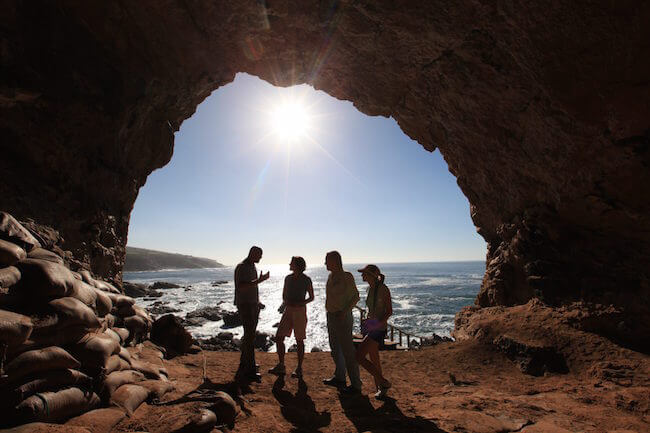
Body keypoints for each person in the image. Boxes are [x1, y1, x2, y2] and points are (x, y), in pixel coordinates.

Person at [322, 250, 362, 394]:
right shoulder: (330, 276)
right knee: (335, 349)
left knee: (347, 351)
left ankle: (356, 384)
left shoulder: (347, 276)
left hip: (343, 317)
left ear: (335, 261)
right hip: (331, 316)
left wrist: (344, 312)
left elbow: (356, 297)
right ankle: (339, 377)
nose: (325, 263)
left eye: (327, 260)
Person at [269, 256, 314, 378]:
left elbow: (311, 297)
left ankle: (299, 368)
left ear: (297, 265)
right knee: (279, 337)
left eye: (292, 263)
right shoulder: (287, 278)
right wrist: (285, 303)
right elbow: (284, 295)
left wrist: (300, 303)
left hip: (299, 311)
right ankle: (281, 365)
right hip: (288, 310)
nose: (289, 264)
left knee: (299, 340)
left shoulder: (306, 279)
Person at [355, 264, 393, 399]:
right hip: (372, 327)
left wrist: (376, 324)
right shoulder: (370, 289)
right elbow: (373, 310)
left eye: (364, 273)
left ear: (371, 275)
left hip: (377, 329)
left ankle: (383, 382)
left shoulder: (383, 289)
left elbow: (389, 311)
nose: (362, 275)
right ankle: (381, 388)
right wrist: (368, 321)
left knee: (358, 356)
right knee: (374, 359)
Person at [234, 246, 269, 382]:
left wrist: (257, 301)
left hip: (252, 305)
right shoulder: (242, 267)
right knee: (249, 337)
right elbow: (241, 286)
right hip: (245, 305)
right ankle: (249, 369)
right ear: (252, 254)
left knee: (250, 336)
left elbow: (251, 287)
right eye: (259, 255)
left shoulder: (252, 266)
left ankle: (246, 365)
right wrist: (259, 281)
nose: (260, 258)